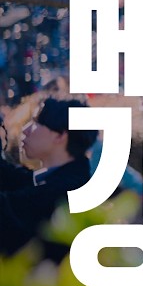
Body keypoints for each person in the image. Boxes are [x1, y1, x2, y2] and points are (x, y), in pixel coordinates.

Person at [0, 97, 97, 264]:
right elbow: (15, 179)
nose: (26, 130)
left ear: (60, 135)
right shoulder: (58, 179)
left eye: (36, 122)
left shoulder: (67, 193)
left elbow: (12, 208)